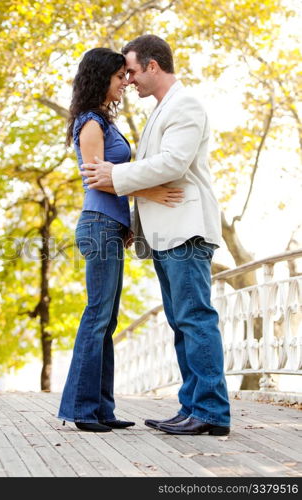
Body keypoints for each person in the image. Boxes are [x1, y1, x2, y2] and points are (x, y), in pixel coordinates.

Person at [80, 35, 231, 436]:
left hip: (187, 231)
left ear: (152, 65)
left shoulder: (186, 105)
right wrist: (136, 225)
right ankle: (192, 407)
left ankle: (211, 411)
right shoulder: (160, 111)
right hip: (165, 234)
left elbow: (173, 163)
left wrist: (117, 176)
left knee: (195, 320)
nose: (127, 80)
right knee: (182, 323)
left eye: (130, 70)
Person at [57, 47, 184, 432]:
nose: (124, 84)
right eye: (118, 78)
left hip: (109, 227)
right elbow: (99, 179)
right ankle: (81, 409)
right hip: (97, 225)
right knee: (96, 316)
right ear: (101, 79)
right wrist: (151, 194)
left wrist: (126, 221)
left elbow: (117, 177)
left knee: (106, 319)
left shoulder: (103, 121)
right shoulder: (90, 123)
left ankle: (102, 410)